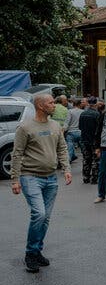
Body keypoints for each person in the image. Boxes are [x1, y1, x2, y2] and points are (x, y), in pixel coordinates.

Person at [11, 94, 72, 273]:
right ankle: (30, 253)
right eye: (51, 102)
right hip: (30, 177)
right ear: (40, 106)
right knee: (39, 214)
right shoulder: (25, 127)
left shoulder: (55, 125)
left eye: (54, 101)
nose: (54, 105)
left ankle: (37, 251)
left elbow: (62, 148)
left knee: (45, 218)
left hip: (51, 178)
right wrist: (15, 179)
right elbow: (17, 153)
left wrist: (66, 169)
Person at [79, 96, 100, 184]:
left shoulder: (83, 114)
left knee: (86, 159)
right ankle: (94, 178)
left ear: (88, 103)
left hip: (84, 139)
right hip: (94, 140)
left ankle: (86, 177)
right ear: (96, 104)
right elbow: (99, 129)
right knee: (95, 159)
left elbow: (80, 127)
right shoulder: (97, 114)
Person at [64, 98, 85, 163]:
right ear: (80, 104)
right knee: (83, 147)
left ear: (73, 104)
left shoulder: (70, 111)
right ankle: (85, 158)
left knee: (70, 146)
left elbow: (67, 122)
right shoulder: (83, 112)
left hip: (71, 132)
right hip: (81, 132)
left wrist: (64, 130)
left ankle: (69, 158)